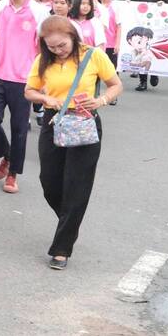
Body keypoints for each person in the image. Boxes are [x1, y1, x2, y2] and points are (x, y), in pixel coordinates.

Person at [25, 16, 122, 270]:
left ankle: (62, 248)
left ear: (73, 36)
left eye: (62, 45)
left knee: (77, 186)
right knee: (49, 182)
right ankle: (70, 220)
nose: (58, 50)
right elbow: (29, 91)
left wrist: (101, 100)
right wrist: (47, 100)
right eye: (52, 46)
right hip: (54, 122)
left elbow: (115, 85)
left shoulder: (93, 55)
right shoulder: (43, 60)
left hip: (84, 122)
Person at [0, 0, 51, 194]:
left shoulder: (39, 11)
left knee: (19, 128)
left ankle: (12, 174)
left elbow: (43, 47)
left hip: (24, 79)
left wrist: (42, 78)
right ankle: (8, 155)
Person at [128, 0, 168, 92]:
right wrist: (127, 3)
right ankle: (142, 81)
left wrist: (165, 5)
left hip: (158, 27)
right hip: (142, 26)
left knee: (154, 51)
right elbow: (130, 3)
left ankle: (154, 73)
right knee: (142, 51)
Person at [95, 0, 122, 73]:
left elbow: (119, 26)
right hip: (98, 42)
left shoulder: (115, 6)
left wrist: (117, 44)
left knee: (112, 70)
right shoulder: (95, 6)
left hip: (111, 43)